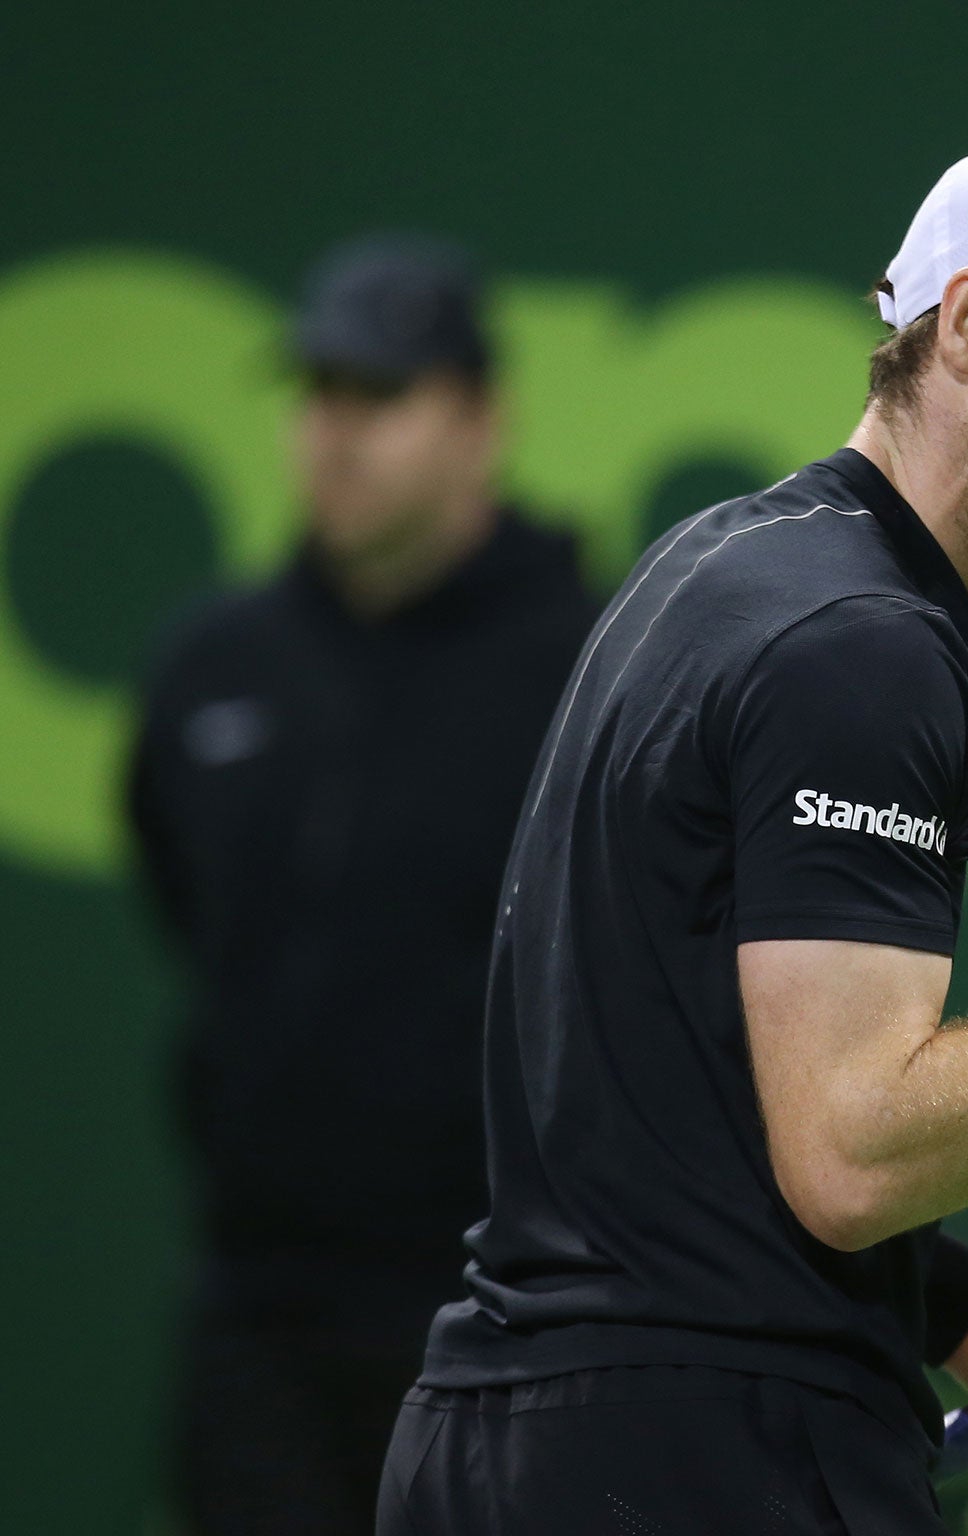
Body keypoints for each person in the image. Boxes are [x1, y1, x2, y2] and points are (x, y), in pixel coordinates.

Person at [378, 134, 968, 1534]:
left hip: (509, 1444)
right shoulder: (867, 650)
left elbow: (670, 1066)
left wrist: (946, 1298)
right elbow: (850, 1154)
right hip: (696, 1468)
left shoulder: (725, 564)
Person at [128, 234, 599, 1535]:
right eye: (319, 395)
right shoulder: (213, 664)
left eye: (380, 398)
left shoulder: (589, 673)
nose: (336, 434)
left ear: (481, 420)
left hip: (494, 1321)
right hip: (251, 1315)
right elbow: (185, 896)